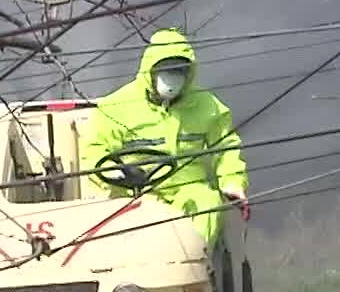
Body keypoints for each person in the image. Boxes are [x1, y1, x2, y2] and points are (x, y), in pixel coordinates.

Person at [79, 28, 247, 246]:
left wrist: (233, 182)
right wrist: (118, 171)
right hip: (135, 195)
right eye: (166, 71)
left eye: (179, 71)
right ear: (150, 69)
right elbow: (95, 149)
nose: (172, 79)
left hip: (188, 194)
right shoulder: (116, 106)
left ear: (189, 73)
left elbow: (226, 148)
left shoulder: (209, 107)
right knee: (135, 228)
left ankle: (195, 265)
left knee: (207, 202)